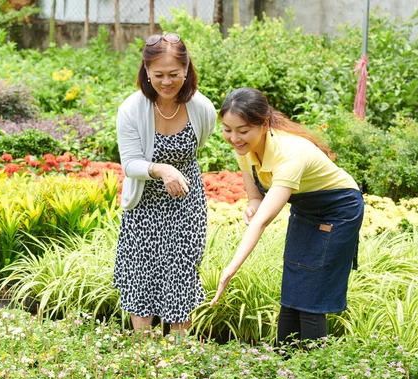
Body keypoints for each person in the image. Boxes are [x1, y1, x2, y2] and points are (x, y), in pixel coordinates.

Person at [209, 87, 364, 345]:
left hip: (338, 209)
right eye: (227, 129)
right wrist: (253, 204)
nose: (234, 138)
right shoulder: (245, 150)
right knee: (294, 284)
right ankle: (285, 365)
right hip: (306, 208)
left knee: (311, 293)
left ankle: (317, 371)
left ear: (263, 124)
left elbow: (262, 221)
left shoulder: (289, 154)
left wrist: (231, 268)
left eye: (243, 130)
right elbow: (256, 200)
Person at [113, 33, 216, 337]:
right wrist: (161, 169)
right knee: (140, 272)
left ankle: (180, 355)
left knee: (181, 271)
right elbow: (130, 164)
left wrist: (177, 172)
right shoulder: (132, 109)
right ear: (146, 71)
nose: (167, 81)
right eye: (158, 74)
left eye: (174, 74)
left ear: (187, 70)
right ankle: (143, 352)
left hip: (186, 201)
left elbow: (201, 143)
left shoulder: (201, 108)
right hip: (144, 203)